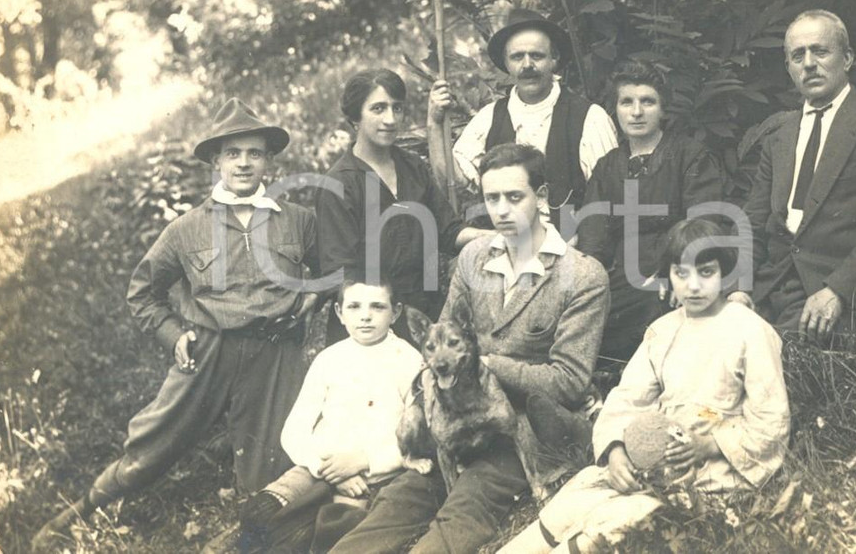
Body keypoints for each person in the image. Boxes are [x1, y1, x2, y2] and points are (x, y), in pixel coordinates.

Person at [33, 99, 321, 549]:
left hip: (274, 353)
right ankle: (77, 513)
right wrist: (174, 335)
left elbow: (333, 273)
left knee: (274, 464)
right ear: (215, 161)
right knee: (153, 444)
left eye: (254, 152)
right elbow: (142, 292)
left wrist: (312, 299)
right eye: (232, 153)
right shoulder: (187, 229)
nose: (244, 162)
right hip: (208, 352)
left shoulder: (300, 221)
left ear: (269, 160)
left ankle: (252, 537)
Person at [331, 144, 610, 554]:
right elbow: (440, 339)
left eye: (515, 197)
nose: (501, 210)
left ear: (543, 197)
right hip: (456, 419)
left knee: (462, 510)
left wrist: (489, 364)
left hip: (519, 428)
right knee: (398, 501)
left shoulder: (582, 275)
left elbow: (568, 381)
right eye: (491, 198)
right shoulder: (474, 257)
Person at [499, 218, 790, 554]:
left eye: (706, 272)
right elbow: (626, 399)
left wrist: (709, 445)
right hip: (652, 464)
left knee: (620, 519)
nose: (693, 286)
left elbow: (772, 420)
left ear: (725, 272)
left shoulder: (749, 331)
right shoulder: (662, 331)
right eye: (681, 273)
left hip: (713, 471)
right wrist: (616, 450)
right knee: (577, 501)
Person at [732, 10, 856, 339]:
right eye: (798, 55)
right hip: (770, 286)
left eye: (820, 51)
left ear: (847, 58)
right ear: (789, 68)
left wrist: (838, 290)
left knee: (756, 360)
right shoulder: (780, 134)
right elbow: (753, 222)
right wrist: (739, 290)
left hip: (834, 291)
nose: (808, 63)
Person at [238, 277, 423, 553]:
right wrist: (324, 467)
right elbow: (294, 430)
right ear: (339, 313)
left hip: (373, 475)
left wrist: (367, 460)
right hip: (321, 467)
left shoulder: (408, 359)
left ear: (395, 312)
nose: (365, 316)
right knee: (262, 514)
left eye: (377, 307)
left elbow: (419, 434)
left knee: (336, 531)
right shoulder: (329, 358)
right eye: (354, 307)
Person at [316, 69, 489, 344]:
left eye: (397, 108)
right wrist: (377, 311)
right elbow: (339, 273)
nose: (390, 119)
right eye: (378, 109)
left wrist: (493, 237)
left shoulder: (413, 167)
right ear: (354, 118)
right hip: (369, 323)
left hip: (423, 316)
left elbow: (448, 230)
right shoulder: (339, 184)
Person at [577, 59, 724, 360]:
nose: (637, 112)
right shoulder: (608, 167)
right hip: (620, 276)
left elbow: (704, 222)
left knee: (656, 310)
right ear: (614, 109)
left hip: (672, 272)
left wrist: (677, 273)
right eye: (626, 102)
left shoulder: (688, 154)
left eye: (648, 102)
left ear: (663, 109)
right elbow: (593, 237)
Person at [428, 8, 617, 232]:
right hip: (504, 247)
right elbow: (454, 184)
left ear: (554, 60)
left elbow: (609, 200)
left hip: (569, 248)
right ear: (507, 64)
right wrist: (434, 124)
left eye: (536, 56)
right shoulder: (489, 118)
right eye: (517, 57)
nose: (527, 65)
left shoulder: (590, 118)